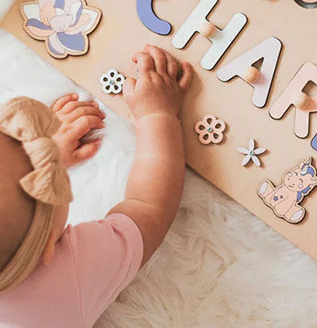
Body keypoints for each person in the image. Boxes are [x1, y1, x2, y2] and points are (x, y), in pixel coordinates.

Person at [0, 45, 194, 326]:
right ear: (47, 250)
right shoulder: (64, 280)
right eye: (49, 181)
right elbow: (150, 206)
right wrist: (157, 115)